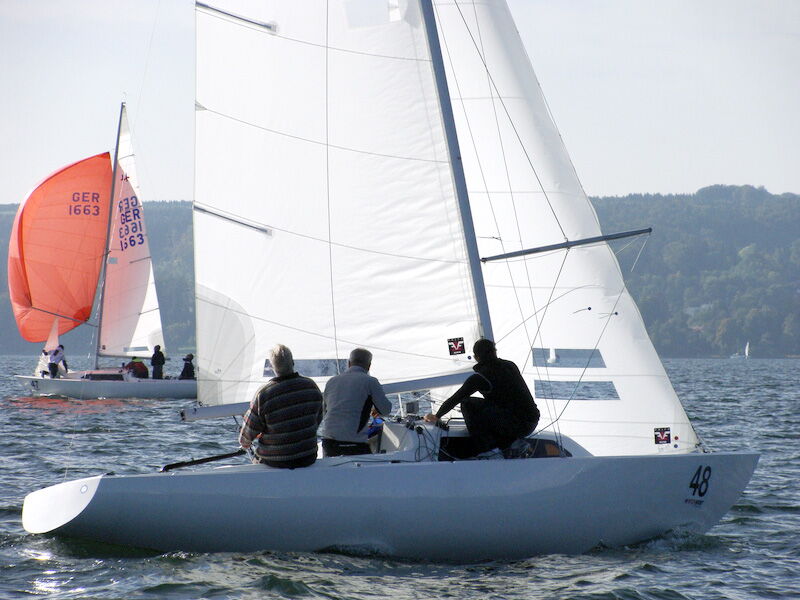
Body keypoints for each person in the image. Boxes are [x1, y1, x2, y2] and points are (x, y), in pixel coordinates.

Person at [424, 338, 539, 458]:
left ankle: (489, 449)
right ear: (495, 352)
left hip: (516, 425)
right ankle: (511, 442)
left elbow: (456, 398)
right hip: (532, 422)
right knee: (494, 406)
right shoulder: (511, 365)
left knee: (467, 403)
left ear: (476, 357)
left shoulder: (481, 377)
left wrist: (437, 416)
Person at [239, 344, 323, 468]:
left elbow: (247, 435)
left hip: (275, 461)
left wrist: (245, 443)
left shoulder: (264, 394)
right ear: (293, 363)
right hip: (307, 457)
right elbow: (317, 419)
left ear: (273, 367)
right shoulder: (311, 387)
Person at [317, 347, 392, 457]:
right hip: (354, 444)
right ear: (369, 366)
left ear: (349, 363)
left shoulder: (332, 381)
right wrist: (374, 408)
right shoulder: (370, 381)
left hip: (328, 443)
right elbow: (386, 410)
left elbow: (325, 411)